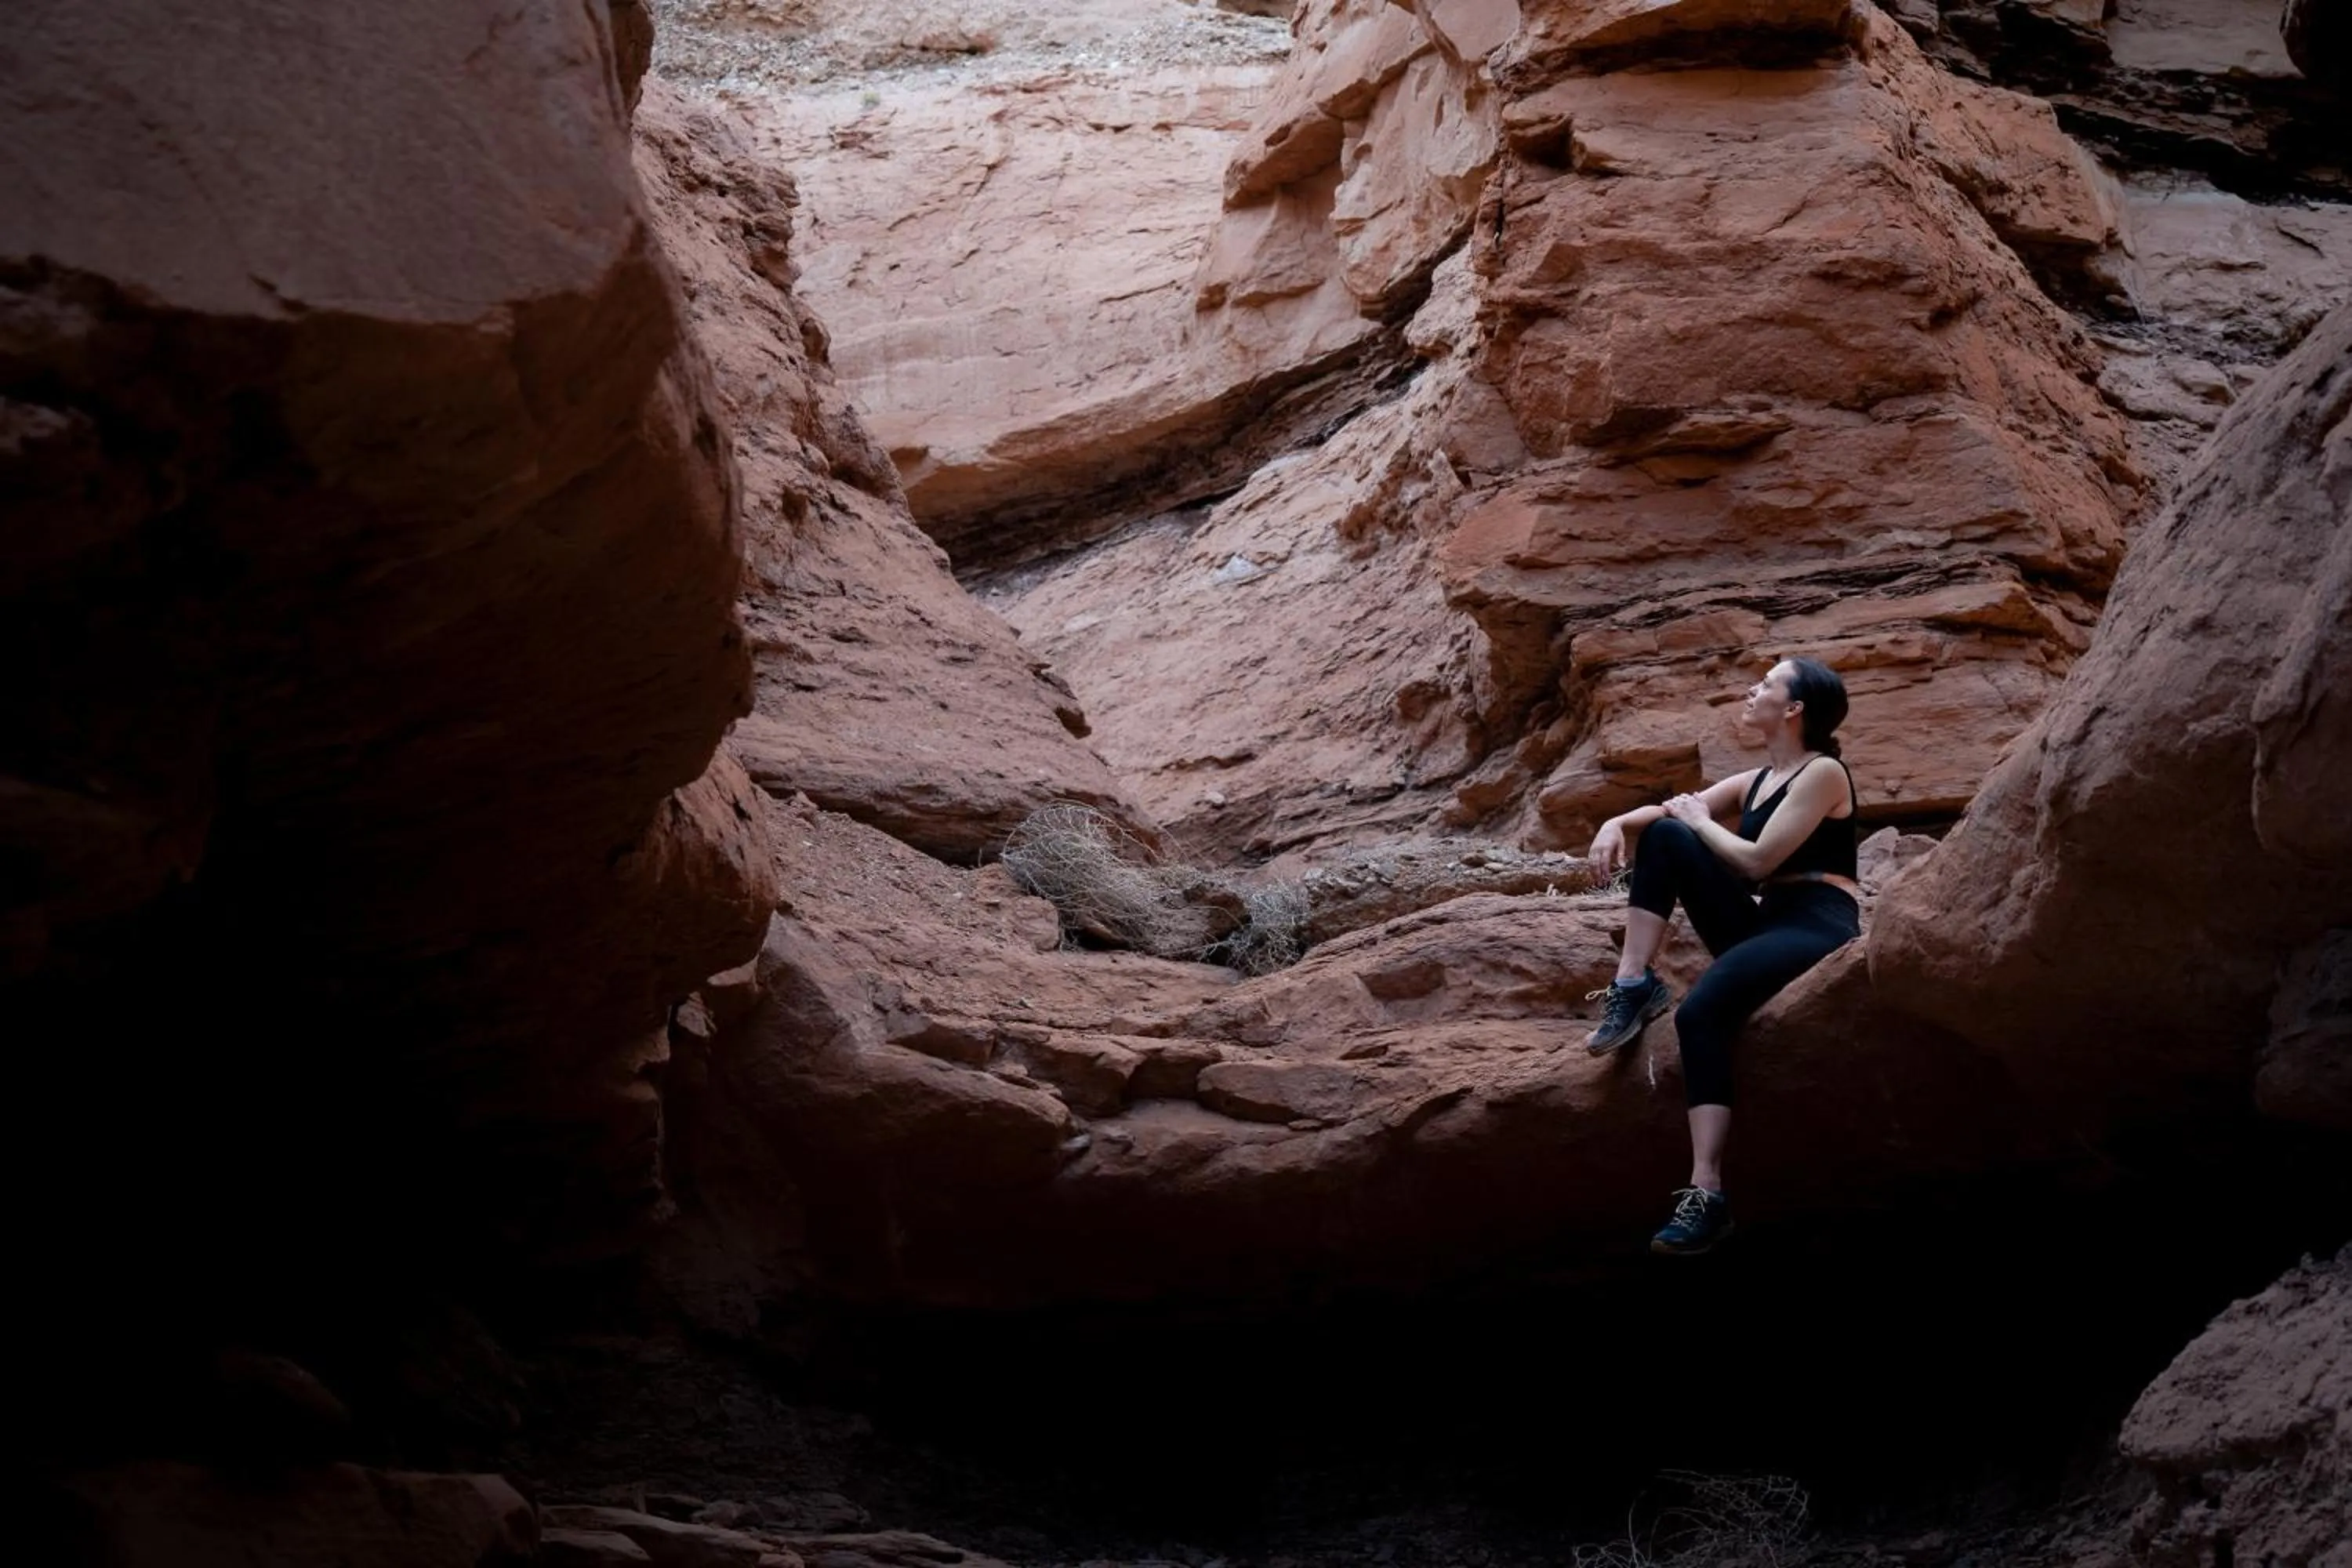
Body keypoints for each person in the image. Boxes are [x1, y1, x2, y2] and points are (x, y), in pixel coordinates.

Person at [1581, 657, 1862, 1256]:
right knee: (1663, 835)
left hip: (1816, 921)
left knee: (1699, 1014)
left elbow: (1757, 861)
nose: (1751, 689)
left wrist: (1698, 820)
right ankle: (1633, 983)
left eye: (1766, 684)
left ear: (1794, 710)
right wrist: (1615, 821)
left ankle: (1706, 1192)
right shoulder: (1754, 781)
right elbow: (1670, 816)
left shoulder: (1824, 773)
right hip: (1763, 923)